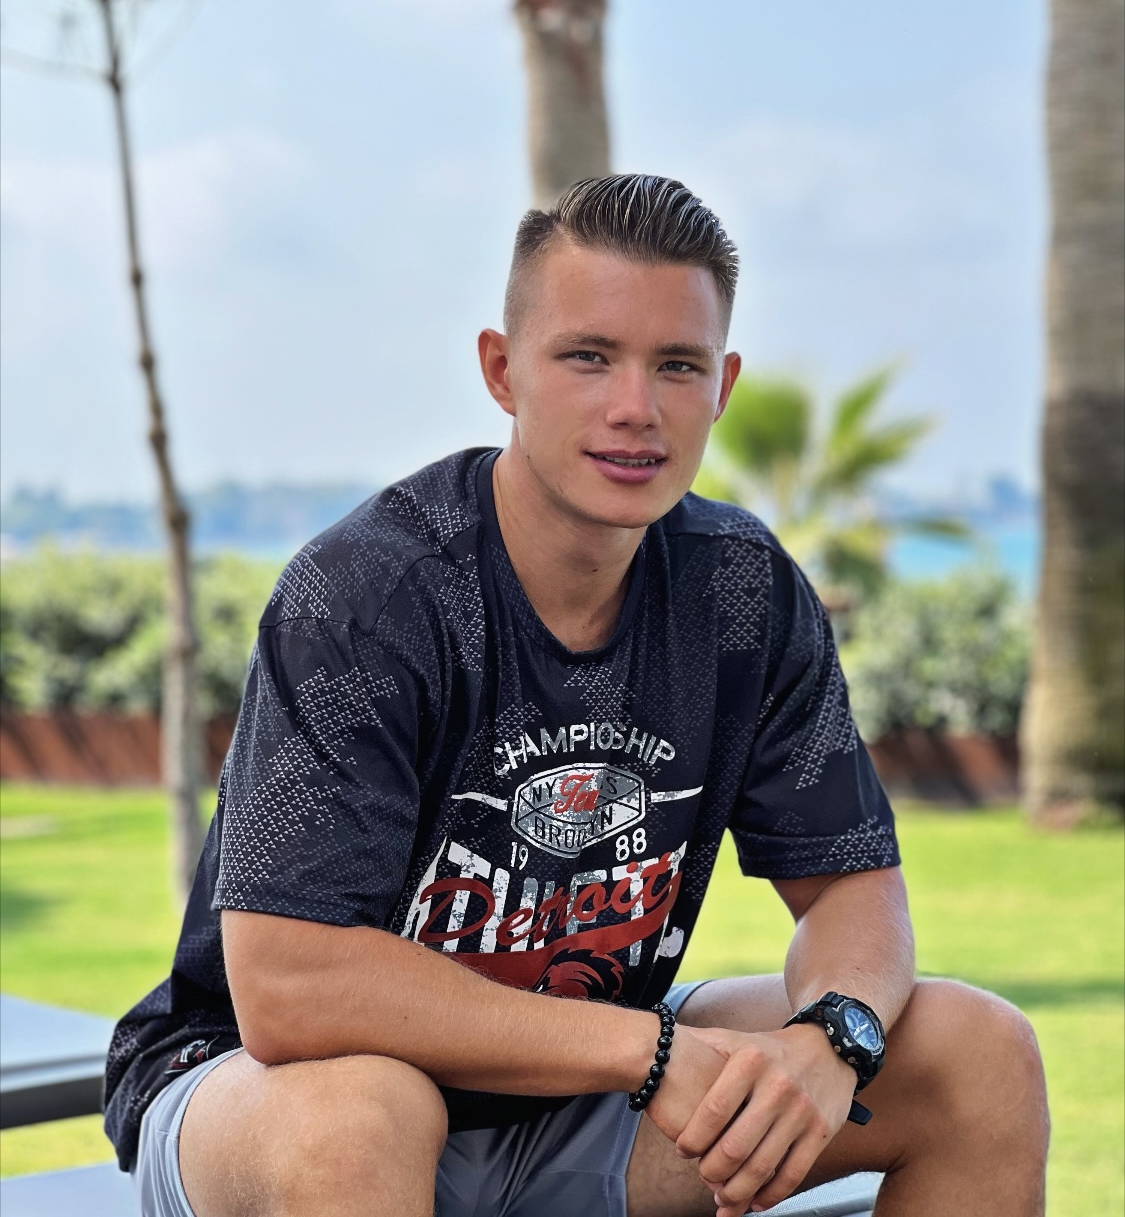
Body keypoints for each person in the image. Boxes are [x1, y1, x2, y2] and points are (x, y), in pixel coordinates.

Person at [104, 174, 1049, 1217]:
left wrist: (833, 1037)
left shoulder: (741, 590)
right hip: (274, 1098)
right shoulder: (368, 594)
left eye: (676, 365)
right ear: (502, 370)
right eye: (589, 356)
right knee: (365, 1119)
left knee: (976, 1054)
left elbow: (851, 890)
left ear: (722, 386)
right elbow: (288, 988)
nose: (634, 407)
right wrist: (646, 1051)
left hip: (580, 1099)